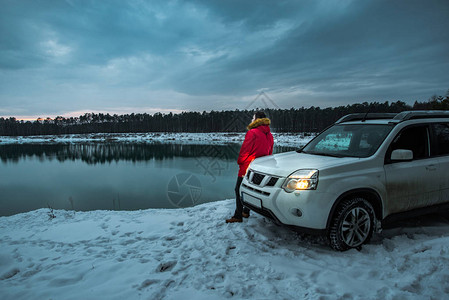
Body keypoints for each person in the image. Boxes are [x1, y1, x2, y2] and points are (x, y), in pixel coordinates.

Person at [226, 111, 274, 223]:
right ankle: (246, 211)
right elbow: (269, 153)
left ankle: (238, 216)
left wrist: (240, 162)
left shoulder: (252, 132)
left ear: (256, 119)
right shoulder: (269, 134)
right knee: (250, 189)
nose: (251, 120)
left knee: (239, 189)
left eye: (253, 118)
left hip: (248, 166)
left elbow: (244, 151)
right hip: (261, 168)